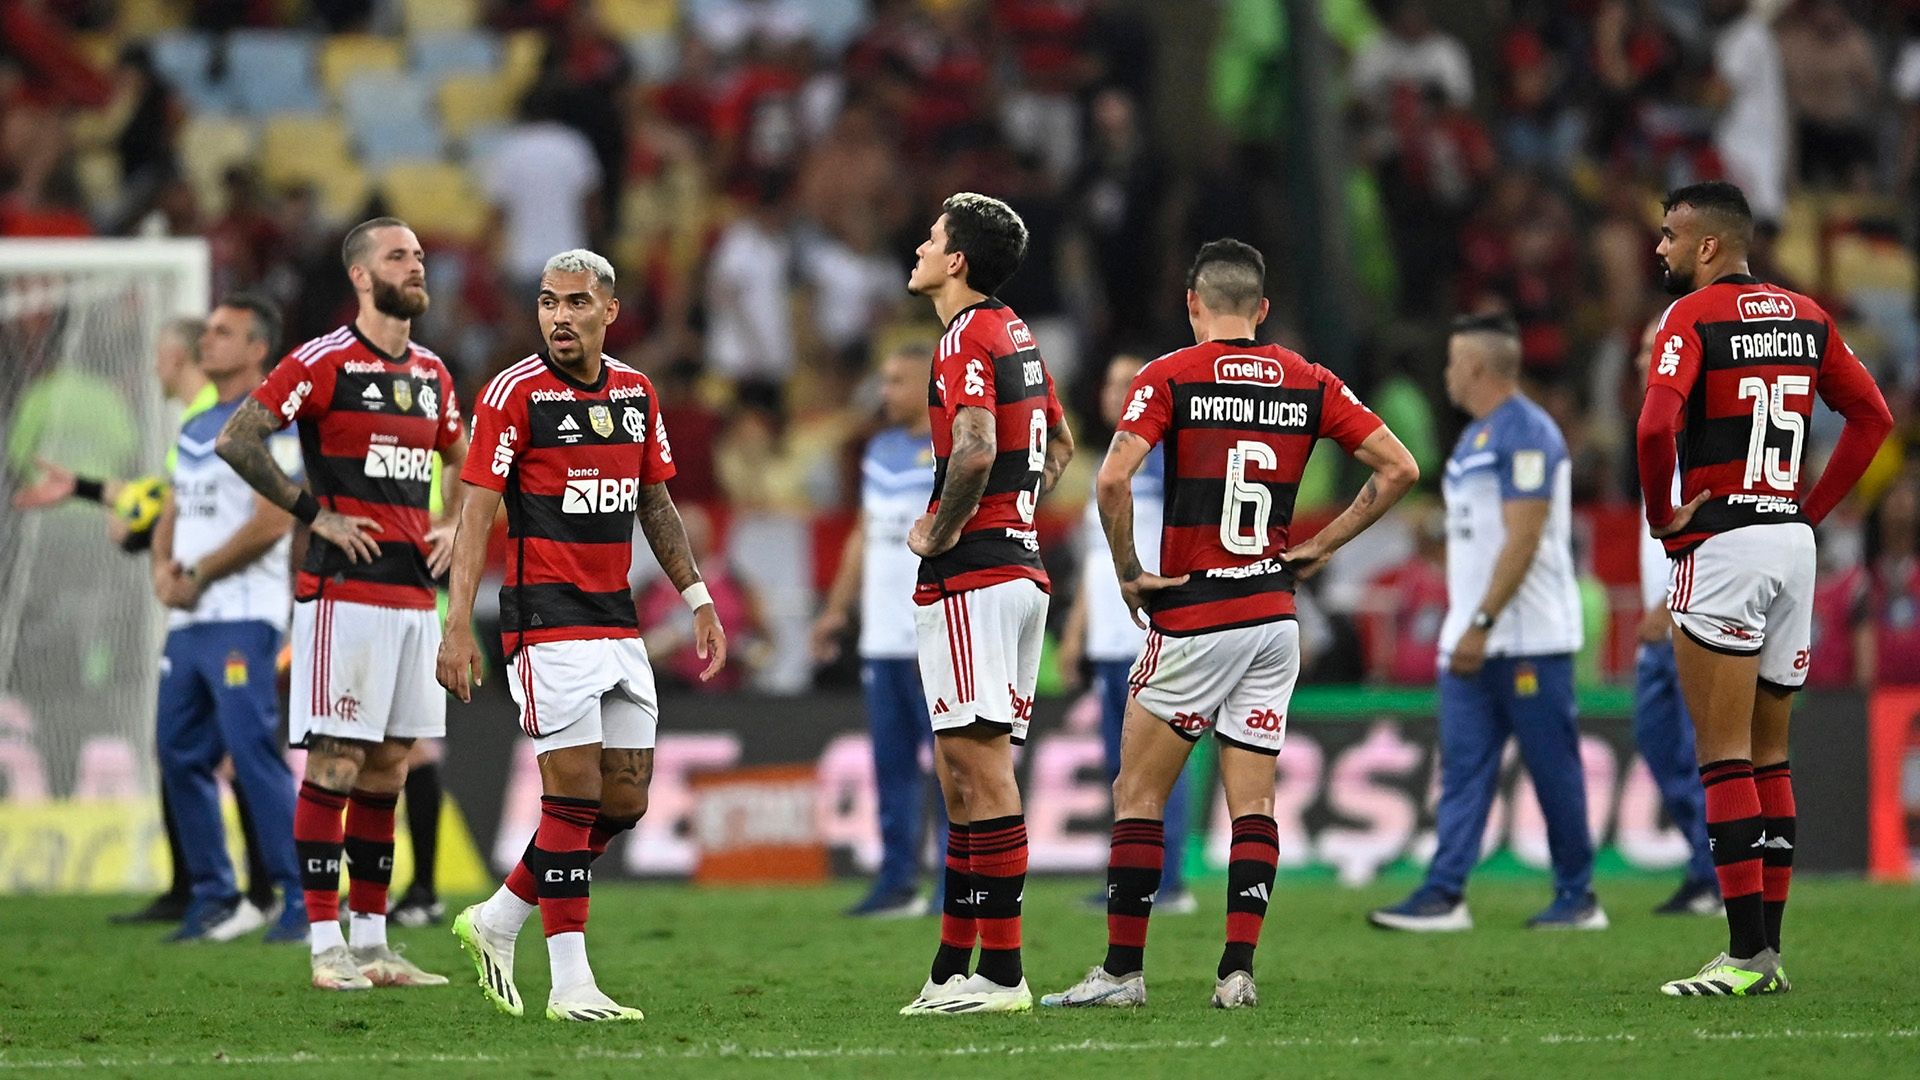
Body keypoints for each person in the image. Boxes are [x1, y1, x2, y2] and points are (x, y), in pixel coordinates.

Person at [1042, 239, 1418, 1011]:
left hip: (1197, 613)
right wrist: (1317, 545)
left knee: (1137, 793)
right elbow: (1400, 467)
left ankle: (1120, 972)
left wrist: (1126, 571)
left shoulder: (1171, 375)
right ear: (1263, 309)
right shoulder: (1308, 379)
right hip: (1273, 616)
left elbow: (1112, 480)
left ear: (1193, 304)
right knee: (1255, 802)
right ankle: (1236, 972)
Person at [442, 249, 727, 1023]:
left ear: (609, 310)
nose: (559, 316)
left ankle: (499, 918)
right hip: (544, 620)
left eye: (574, 303)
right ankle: (572, 986)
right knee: (570, 796)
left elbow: (656, 504)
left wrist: (696, 596)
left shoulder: (636, 394)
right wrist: (456, 623)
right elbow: (475, 514)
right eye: (546, 303)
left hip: (616, 620)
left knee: (624, 800)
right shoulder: (513, 394)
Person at [1637, 181, 1891, 996]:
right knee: (1771, 755)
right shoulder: (1808, 316)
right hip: (1789, 541)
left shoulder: (1691, 317)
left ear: (1710, 246)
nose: (1662, 250)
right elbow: (1874, 418)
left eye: (1671, 236)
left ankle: (1744, 956)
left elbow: (1651, 427)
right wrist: (1809, 511)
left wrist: (1663, 518)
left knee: (1722, 758)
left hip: (1724, 545)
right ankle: (1767, 955)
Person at [217, 216, 467, 991]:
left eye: (420, 255)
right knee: (335, 759)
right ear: (362, 275)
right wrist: (310, 511)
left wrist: (453, 521)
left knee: (390, 766)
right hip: (341, 592)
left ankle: (375, 942)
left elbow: (459, 453)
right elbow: (239, 437)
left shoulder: (433, 371)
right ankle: (326, 944)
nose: (416, 266)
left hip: (409, 596)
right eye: (399, 256)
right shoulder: (322, 361)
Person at [10, 316, 279, 927]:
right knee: (192, 750)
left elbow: (192, 504)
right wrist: (90, 491)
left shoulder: (221, 411)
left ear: (180, 358)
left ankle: (263, 891)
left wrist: (143, 531)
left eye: (161, 354)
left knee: (228, 752)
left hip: (234, 605)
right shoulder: (193, 423)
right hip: (201, 605)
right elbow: (166, 497)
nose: (154, 367)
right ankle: (216, 888)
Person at [897, 193, 1073, 1016]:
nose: (921, 246)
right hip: (1016, 569)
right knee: (962, 776)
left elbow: (974, 447)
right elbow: (1060, 444)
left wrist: (942, 529)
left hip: (977, 572)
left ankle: (1002, 976)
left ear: (957, 260)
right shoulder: (1018, 334)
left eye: (932, 238)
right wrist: (1021, 518)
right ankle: (950, 969)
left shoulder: (966, 334)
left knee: (982, 773)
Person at [1370, 314, 1603, 933]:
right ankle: (1445, 893)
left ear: (1474, 367)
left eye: (1452, 362)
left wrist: (1480, 621)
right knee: (1463, 770)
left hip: (1525, 639)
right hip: (1470, 639)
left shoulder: (1527, 433)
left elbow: (1524, 538)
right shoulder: (1477, 437)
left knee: (1552, 767)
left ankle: (1578, 896)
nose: (1447, 374)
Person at [144, 295, 307, 944]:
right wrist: (162, 567)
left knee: (250, 752)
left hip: (244, 616)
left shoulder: (273, 426)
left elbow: (274, 520)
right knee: (177, 751)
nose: (204, 343)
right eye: (206, 331)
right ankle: (215, 895)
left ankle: (303, 897)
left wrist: (200, 572)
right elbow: (174, 508)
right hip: (189, 620)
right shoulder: (192, 427)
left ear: (256, 349)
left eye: (221, 333)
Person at [1056, 353, 1196, 916]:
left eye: (1128, 382)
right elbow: (1099, 563)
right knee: (1122, 770)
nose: (1116, 391)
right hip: (1111, 640)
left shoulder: (1167, 460)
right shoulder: (1111, 462)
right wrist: (1074, 634)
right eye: (1110, 381)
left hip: (1153, 637)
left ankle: (1171, 881)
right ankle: (1130, 878)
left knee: (1158, 764)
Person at [811, 343, 945, 919]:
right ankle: (897, 883)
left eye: (897, 380)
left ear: (926, 386)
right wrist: (836, 610)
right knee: (890, 765)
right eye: (883, 379)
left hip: (933, 633)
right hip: (882, 638)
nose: (885, 391)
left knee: (949, 768)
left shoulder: (950, 449)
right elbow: (864, 536)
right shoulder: (881, 449)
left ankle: (953, 884)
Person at [1628, 319, 1719, 917]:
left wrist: (1666, 603)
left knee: (1700, 753)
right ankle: (1700, 864)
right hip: (1660, 629)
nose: (1641, 362)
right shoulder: (1657, 436)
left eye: (1649, 351)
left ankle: (1716, 876)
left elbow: (1710, 530)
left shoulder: (1697, 439)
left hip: (1691, 618)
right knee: (1659, 745)